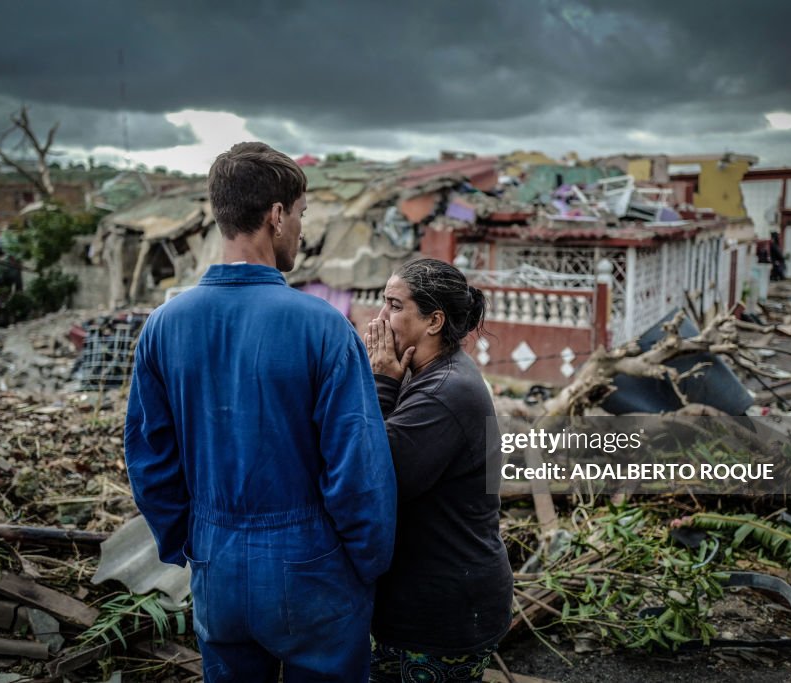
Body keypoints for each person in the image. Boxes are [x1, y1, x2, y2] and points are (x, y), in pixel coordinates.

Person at [124, 142, 397, 682]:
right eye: (300, 215)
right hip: (311, 569)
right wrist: (368, 565)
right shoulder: (322, 328)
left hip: (215, 566)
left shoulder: (163, 326)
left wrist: (191, 542)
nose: (301, 230)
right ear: (276, 216)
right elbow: (358, 473)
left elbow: (149, 459)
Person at [364, 258, 513, 682]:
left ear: (434, 320)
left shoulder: (446, 391)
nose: (380, 318)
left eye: (394, 306)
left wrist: (381, 384)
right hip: (431, 599)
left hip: (442, 612)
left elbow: (377, 476)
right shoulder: (424, 374)